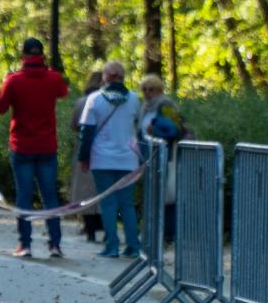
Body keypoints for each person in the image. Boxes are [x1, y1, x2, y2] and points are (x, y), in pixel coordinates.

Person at [0, 38, 69, 259]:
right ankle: (55, 245)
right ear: (42, 56)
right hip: (47, 146)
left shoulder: (14, 81)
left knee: (24, 196)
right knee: (50, 197)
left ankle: (24, 244)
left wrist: (5, 83)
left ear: (23, 56)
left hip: (22, 146)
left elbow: (0, 108)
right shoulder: (53, 78)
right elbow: (63, 92)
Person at [78, 60, 142, 258]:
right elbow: (139, 128)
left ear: (105, 77)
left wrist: (83, 157)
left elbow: (86, 132)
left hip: (102, 158)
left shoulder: (94, 99)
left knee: (107, 204)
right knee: (127, 204)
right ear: (122, 77)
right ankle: (133, 245)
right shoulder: (134, 99)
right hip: (127, 159)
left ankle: (111, 245)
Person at [139, 74, 189, 244]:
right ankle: (155, 231)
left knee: (168, 193)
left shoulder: (166, 105)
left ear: (159, 89)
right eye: (144, 89)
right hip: (150, 156)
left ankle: (169, 233)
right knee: (155, 193)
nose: (147, 93)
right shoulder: (145, 107)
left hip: (167, 154)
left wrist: (156, 132)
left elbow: (175, 131)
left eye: (150, 89)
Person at [68, 71, 105, 243]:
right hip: (105, 148)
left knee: (85, 190)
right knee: (104, 189)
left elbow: (74, 125)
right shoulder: (111, 102)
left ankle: (89, 229)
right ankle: (106, 227)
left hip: (85, 148)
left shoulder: (81, 102)